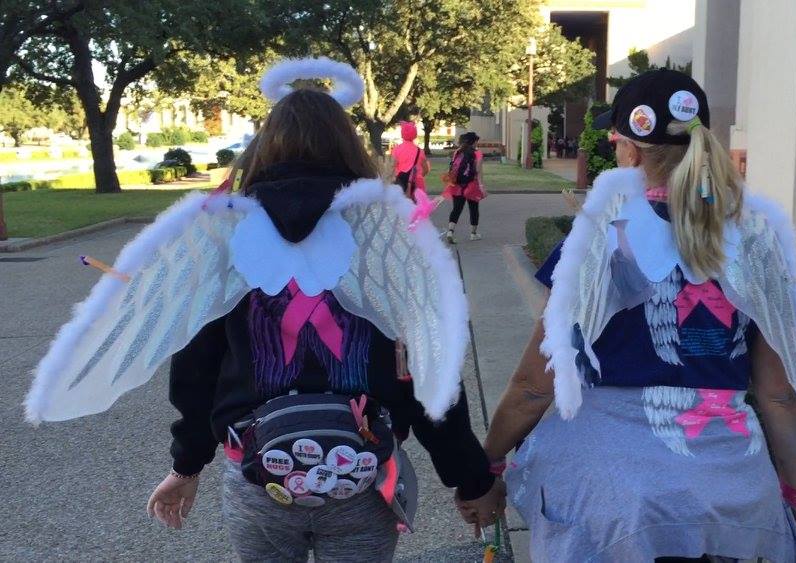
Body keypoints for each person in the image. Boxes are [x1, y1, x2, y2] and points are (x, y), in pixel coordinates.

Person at [24, 58, 505, 562]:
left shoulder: (224, 236)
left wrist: (187, 466)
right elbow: (430, 368)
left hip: (260, 472)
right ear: (347, 145)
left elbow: (195, 367)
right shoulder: (388, 239)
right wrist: (471, 480)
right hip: (365, 474)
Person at [471, 69, 796, 561]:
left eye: (616, 136)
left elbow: (534, 386)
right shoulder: (757, 241)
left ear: (629, 149)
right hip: (734, 492)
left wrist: (487, 468)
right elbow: (778, 395)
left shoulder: (599, 240)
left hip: (611, 496)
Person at [443, 131, 487, 244]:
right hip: (471, 185)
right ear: (474, 142)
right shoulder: (477, 153)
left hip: (457, 185)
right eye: (477, 141)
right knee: (474, 208)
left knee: (457, 208)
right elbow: (478, 171)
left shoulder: (458, 151)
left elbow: (453, 167)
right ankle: (473, 234)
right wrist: (482, 186)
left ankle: (450, 231)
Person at [390, 121, 430, 201]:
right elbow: (426, 169)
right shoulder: (420, 151)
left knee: (403, 208)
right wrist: (418, 176)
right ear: (415, 134)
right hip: (417, 184)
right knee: (417, 210)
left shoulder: (396, 150)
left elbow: (392, 168)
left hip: (401, 183)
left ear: (402, 134)